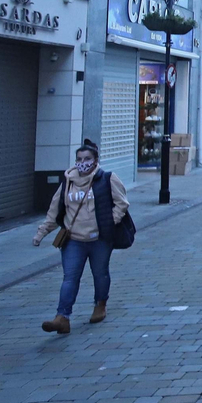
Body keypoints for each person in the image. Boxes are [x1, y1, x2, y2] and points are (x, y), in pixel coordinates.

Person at [32, 139, 129, 334]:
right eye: (79, 159)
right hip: (73, 240)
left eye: (87, 158)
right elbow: (54, 210)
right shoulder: (67, 182)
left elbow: (122, 203)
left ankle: (100, 304)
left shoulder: (108, 178)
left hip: (99, 239)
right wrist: (41, 233)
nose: (82, 162)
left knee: (100, 274)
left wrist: (110, 222)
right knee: (70, 278)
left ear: (95, 160)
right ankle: (62, 317)